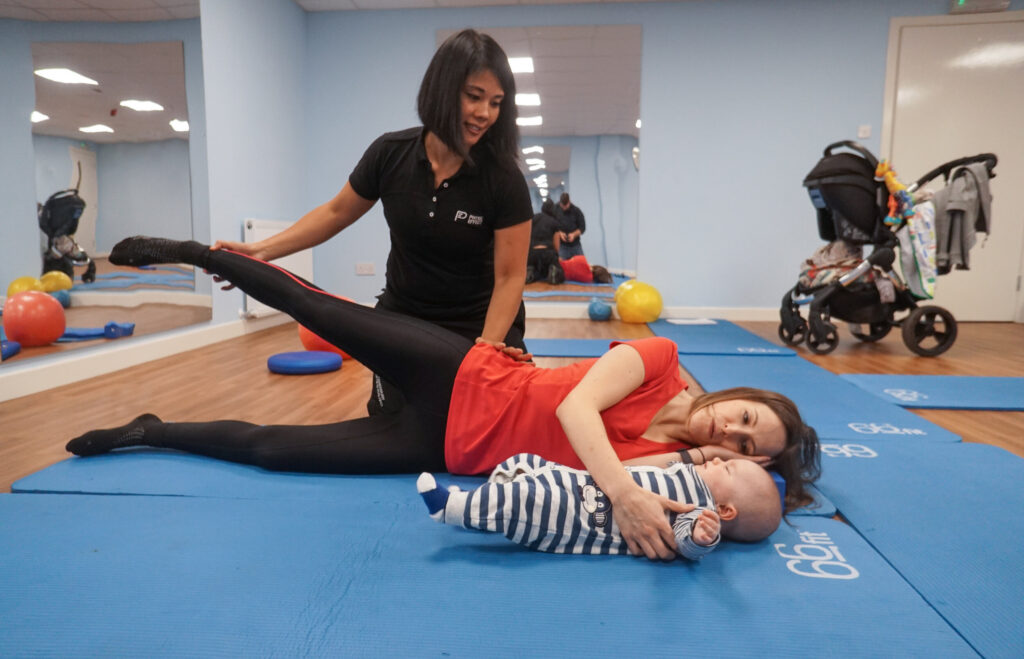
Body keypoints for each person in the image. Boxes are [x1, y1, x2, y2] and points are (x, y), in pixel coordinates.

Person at [66, 235, 820, 561]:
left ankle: (153, 430)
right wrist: (623, 493)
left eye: (746, 447)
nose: (731, 433)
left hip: (443, 447)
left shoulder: (673, 467)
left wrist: (718, 510)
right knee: (318, 308)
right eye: (746, 418)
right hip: (460, 376)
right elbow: (573, 411)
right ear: (743, 395)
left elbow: (694, 517)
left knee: (273, 450)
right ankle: (195, 253)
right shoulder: (660, 360)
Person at [207, 29, 533, 416]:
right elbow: (335, 213)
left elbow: (510, 277)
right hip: (403, 319)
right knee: (392, 424)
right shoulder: (390, 154)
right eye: (474, 96)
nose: (485, 114)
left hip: (478, 326)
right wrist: (260, 251)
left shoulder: (503, 178)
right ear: (443, 90)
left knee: (481, 429)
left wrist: (486, 351)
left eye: (495, 103)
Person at [417, 452, 782, 560]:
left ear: (725, 510)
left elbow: (686, 542)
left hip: (576, 518)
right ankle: (484, 507)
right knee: (526, 462)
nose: (717, 461)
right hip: (581, 481)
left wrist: (703, 537)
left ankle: (451, 508)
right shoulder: (687, 473)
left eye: (727, 468)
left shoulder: (699, 511)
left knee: (527, 500)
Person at [526, 199, 563, 284]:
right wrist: (556, 257)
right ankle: (554, 273)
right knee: (556, 271)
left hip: (532, 253)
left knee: (537, 272)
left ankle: (530, 273)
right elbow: (556, 245)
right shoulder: (554, 222)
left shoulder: (533, 219)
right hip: (548, 253)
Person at [553, 192, 586, 260]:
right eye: (563, 206)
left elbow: (582, 227)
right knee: (562, 265)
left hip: (576, 245)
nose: (564, 208)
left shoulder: (576, 211)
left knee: (581, 263)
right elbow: (551, 225)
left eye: (566, 205)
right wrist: (559, 233)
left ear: (569, 202)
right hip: (562, 246)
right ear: (560, 203)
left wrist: (574, 234)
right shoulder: (554, 209)